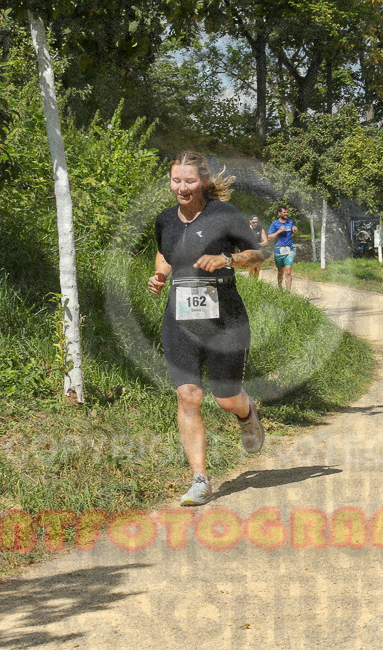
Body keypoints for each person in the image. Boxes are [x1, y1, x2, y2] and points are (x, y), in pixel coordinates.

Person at [147, 151, 266, 506]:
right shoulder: (165, 220)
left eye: (189, 181)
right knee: (188, 396)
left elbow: (257, 255)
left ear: (204, 182)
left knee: (226, 398)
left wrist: (226, 259)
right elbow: (165, 255)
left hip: (225, 318)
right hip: (180, 317)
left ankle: (247, 413)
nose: (181, 188)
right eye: (175, 180)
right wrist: (159, 276)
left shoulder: (224, 215)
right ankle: (200, 480)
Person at [267, 205, 298, 291]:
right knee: (280, 272)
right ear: (279, 213)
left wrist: (294, 232)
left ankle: (288, 292)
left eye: (287, 212)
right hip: (279, 249)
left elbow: (290, 236)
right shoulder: (274, 224)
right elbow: (269, 237)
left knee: (288, 272)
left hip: (289, 249)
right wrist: (279, 231)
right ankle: (280, 289)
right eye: (284, 212)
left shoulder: (290, 222)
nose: (286, 214)